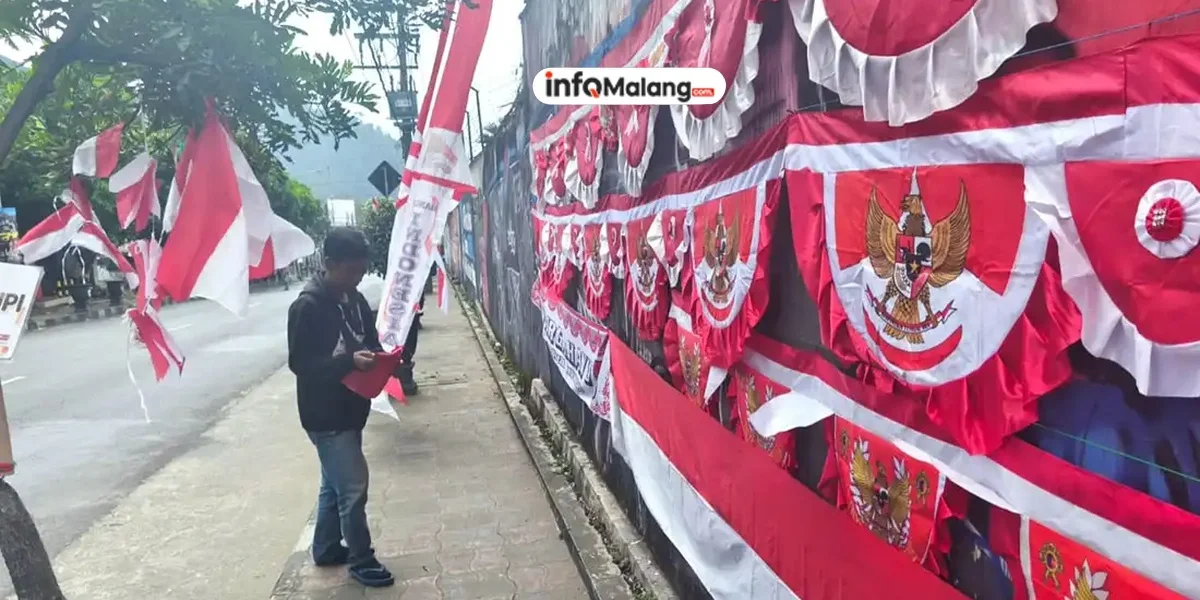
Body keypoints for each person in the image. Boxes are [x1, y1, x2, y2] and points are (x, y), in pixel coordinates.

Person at [286, 227, 394, 588]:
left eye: (360, 273)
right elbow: (302, 364)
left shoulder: (355, 299)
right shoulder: (308, 306)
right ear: (329, 263)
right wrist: (349, 361)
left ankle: (327, 547)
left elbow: (369, 338)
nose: (354, 280)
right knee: (352, 488)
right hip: (325, 415)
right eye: (349, 272)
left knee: (332, 485)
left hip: (351, 407)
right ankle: (361, 560)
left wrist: (383, 357)